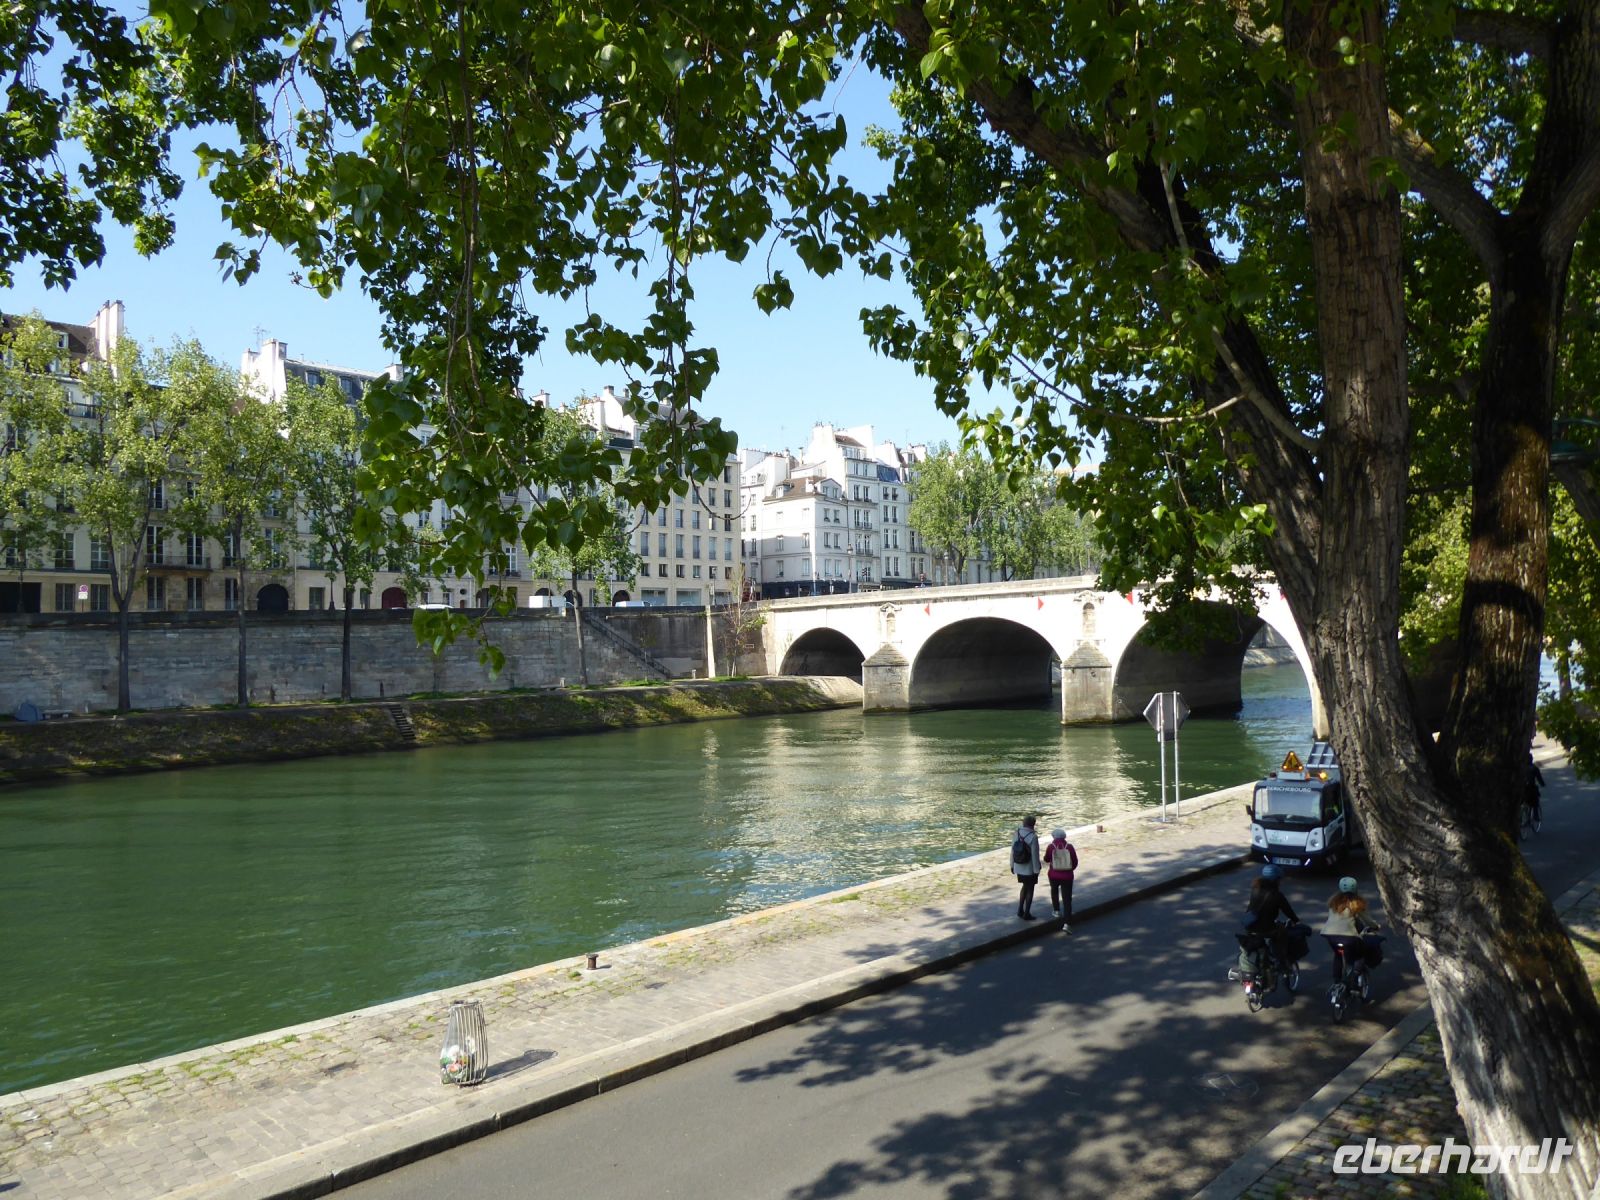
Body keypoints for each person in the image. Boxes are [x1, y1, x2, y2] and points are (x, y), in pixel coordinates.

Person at [1321, 875, 1380, 981]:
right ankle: (1355, 975)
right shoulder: (1357, 903)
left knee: (1338, 955)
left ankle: (1337, 982)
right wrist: (1375, 926)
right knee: (1361, 954)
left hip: (1330, 935)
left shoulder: (1333, 902)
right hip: (1348, 937)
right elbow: (1367, 920)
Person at [1242, 865, 1298, 971]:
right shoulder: (1276, 895)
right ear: (1276, 880)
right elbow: (1288, 911)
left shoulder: (1255, 889)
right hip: (1267, 928)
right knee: (1282, 932)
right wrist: (1296, 921)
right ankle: (1281, 959)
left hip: (1250, 927)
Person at [1044, 827, 1078, 932]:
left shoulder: (1051, 846)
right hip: (1067, 876)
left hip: (1053, 875)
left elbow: (1046, 859)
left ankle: (1056, 910)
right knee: (1067, 899)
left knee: (1054, 891)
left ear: (1054, 837)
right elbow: (1075, 862)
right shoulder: (1070, 847)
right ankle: (1067, 924)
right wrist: (1069, 869)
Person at [1010, 815, 1042, 920]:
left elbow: (1012, 851)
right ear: (1033, 824)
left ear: (1024, 823)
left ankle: (1020, 909)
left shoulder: (1016, 833)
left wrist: (1012, 865)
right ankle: (1027, 913)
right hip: (1029, 868)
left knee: (1024, 887)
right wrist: (1037, 870)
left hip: (1018, 865)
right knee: (1030, 889)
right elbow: (1035, 855)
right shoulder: (1033, 836)